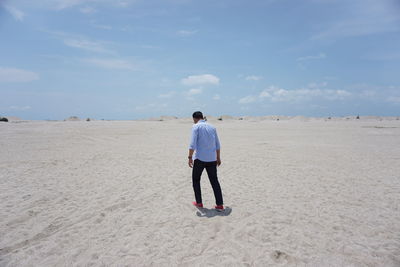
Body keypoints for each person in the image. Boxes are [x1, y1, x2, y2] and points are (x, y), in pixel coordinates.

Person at [188, 111, 224, 211]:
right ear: (202, 117)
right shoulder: (212, 127)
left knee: (196, 180)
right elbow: (217, 144)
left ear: (195, 118)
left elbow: (192, 145)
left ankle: (199, 203)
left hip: (200, 158)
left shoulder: (196, 127)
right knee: (214, 181)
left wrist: (190, 157)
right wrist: (218, 157)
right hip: (212, 159)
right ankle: (220, 204)